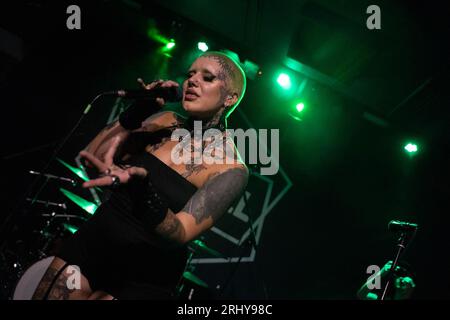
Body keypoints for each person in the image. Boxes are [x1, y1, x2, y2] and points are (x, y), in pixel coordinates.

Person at [31, 51, 248, 300]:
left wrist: (144, 191)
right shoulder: (164, 120)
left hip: (145, 276)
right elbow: (93, 160)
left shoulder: (230, 168)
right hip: (94, 244)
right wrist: (135, 114)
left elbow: (181, 233)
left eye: (207, 77)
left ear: (230, 98)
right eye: (190, 74)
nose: (192, 81)